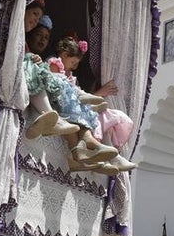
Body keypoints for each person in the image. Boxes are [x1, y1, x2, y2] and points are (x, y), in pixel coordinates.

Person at [48, 36, 135, 174]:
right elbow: (57, 87)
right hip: (58, 103)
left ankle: (98, 156)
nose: (74, 66)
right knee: (78, 113)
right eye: (73, 62)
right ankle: (91, 150)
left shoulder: (69, 74)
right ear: (64, 55)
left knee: (92, 117)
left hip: (67, 104)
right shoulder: (54, 65)